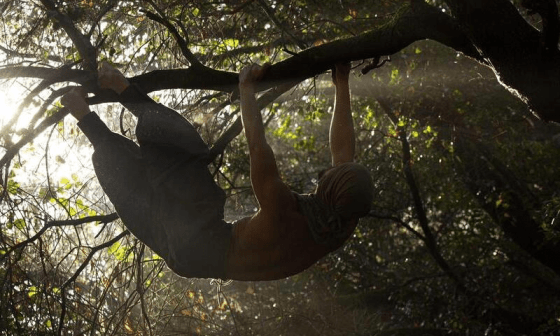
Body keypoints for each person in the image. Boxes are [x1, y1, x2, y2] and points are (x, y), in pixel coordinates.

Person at [61, 62, 373, 281]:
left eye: (330, 176)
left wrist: (247, 88)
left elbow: (257, 147)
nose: (325, 174)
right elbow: (344, 151)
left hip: (203, 238)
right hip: (187, 259)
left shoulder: (284, 209)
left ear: (332, 189)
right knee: (143, 195)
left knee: (186, 155)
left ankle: (117, 92)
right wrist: (342, 82)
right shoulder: (341, 224)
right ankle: (84, 112)